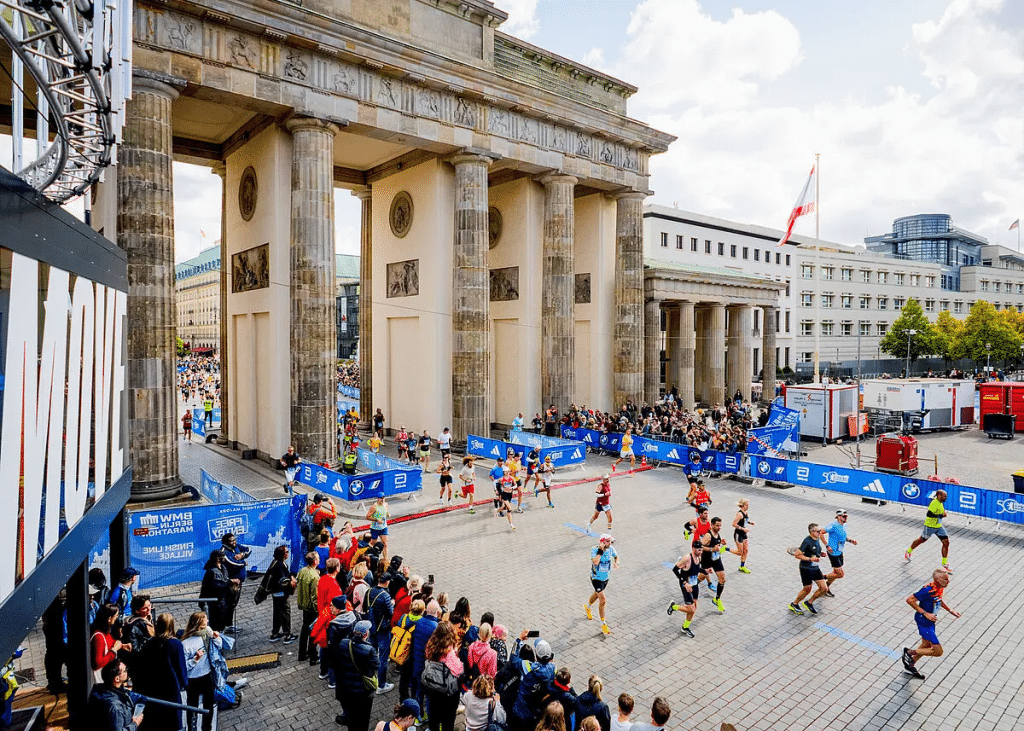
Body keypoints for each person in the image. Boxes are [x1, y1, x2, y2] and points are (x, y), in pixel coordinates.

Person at [902, 569, 961, 680]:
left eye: (948, 579)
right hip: (923, 621)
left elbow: (938, 600)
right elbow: (910, 600)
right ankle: (908, 652)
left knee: (925, 645)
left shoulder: (939, 588)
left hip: (930, 621)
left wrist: (950, 610)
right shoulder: (927, 590)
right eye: (945, 579)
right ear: (938, 579)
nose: (948, 581)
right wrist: (925, 613)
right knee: (938, 651)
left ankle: (910, 665)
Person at [134, 614, 187, 731]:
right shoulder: (176, 644)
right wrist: (184, 684)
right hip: (171, 687)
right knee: (172, 718)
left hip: (154, 686)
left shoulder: (150, 643)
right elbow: (181, 667)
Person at [334, 620, 379, 731]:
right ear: (366, 634)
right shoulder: (369, 650)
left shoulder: (343, 643)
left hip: (345, 689)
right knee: (363, 719)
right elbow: (376, 665)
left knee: (351, 717)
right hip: (362, 692)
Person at [181, 611, 221, 731]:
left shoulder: (207, 633)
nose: (208, 621)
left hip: (207, 675)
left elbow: (219, 646)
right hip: (193, 679)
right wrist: (195, 659)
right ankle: (191, 728)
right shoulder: (185, 644)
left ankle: (206, 728)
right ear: (199, 625)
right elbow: (184, 666)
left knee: (208, 706)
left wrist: (216, 638)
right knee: (192, 707)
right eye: (205, 620)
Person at [423, 621, 463, 731]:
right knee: (448, 722)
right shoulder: (450, 654)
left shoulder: (430, 646)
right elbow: (458, 672)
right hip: (447, 692)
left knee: (434, 718)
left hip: (433, 687)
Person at [512, 638, 555, 731]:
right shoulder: (553, 669)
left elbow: (513, 659)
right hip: (537, 712)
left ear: (536, 655)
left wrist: (518, 640)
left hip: (522, 710)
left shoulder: (527, 666)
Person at [905, 489, 952, 572]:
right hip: (929, 527)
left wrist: (943, 513)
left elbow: (941, 510)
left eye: (946, 496)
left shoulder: (940, 502)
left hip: (939, 527)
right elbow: (929, 514)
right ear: (939, 496)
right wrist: (941, 516)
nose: (946, 498)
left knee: (946, 542)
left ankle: (944, 564)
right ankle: (908, 551)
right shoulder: (934, 503)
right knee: (921, 540)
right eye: (944, 496)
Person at [88, 660, 143, 731]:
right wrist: (135, 724)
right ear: (117, 679)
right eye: (125, 671)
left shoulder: (99, 690)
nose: (127, 672)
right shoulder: (115, 706)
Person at [366, 571, 396, 694]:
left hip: (371, 626)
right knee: (383, 657)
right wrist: (392, 604)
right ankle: (381, 685)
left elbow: (365, 607)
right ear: (387, 582)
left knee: (372, 653)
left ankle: (369, 678)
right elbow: (390, 613)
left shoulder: (369, 591)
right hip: (382, 628)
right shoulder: (385, 596)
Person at [788, 523, 828, 615]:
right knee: (807, 589)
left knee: (824, 588)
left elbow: (813, 550)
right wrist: (810, 559)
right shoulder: (807, 541)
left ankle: (809, 602)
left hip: (814, 567)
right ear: (812, 532)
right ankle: (794, 604)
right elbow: (797, 555)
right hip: (805, 568)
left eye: (820, 531)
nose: (820, 532)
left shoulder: (817, 539)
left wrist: (820, 553)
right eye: (818, 531)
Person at [667, 540, 704, 638]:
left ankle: (685, 627)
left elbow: (696, 569)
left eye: (701, 550)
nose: (700, 552)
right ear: (693, 549)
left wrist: (705, 571)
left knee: (694, 607)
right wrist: (685, 583)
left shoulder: (699, 557)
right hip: (685, 585)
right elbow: (675, 569)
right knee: (691, 608)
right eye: (699, 550)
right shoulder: (687, 558)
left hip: (694, 584)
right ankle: (674, 607)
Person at [583, 534, 618, 635]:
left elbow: (616, 557)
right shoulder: (594, 549)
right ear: (602, 542)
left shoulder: (611, 548)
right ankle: (603, 623)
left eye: (610, 541)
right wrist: (600, 550)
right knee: (603, 600)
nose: (610, 543)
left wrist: (616, 563)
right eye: (607, 541)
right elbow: (595, 562)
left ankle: (587, 607)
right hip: (596, 578)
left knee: (597, 594)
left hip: (606, 577)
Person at [263, 545, 297, 643]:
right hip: (281, 594)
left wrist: (290, 576)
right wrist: (292, 582)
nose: (288, 553)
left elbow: (286, 574)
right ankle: (287, 635)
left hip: (275, 594)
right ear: (282, 554)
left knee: (277, 614)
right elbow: (283, 581)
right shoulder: (280, 565)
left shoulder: (276, 562)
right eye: (286, 552)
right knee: (285, 614)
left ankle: (275, 634)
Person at [821, 509, 857, 596]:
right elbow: (820, 533)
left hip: (840, 551)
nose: (845, 518)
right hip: (833, 553)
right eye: (844, 516)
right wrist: (827, 545)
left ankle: (826, 587)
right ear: (838, 517)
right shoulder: (833, 525)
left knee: (835, 573)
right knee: (840, 574)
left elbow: (842, 536)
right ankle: (820, 577)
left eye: (846, 516)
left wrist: (850, 540)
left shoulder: (844, 525)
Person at [220, 533, 249, 632]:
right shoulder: (224, 552)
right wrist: (243, 563)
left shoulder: (236, 546)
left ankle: (228, 624)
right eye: (231, 541)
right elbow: (232, 563)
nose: (234, 542)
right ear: (225, 543)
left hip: (238, 582)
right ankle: (225, 626)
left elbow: (248, 549)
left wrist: (242, 554)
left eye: (234, 540)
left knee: (233, 604)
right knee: (229, 604)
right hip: (231, 583)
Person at [91, 604, 128, 683]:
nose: (117, 617)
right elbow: (98, 663)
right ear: (109, 618)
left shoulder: (105, 631)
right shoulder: (98, 637)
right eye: (116, 615)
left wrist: (122, 646)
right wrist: (114, 651)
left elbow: (109, 642)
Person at [295, 551, 321, 663]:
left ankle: (301, 654)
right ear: (315, 561)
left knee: (305, 630)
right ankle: (313, 656)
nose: (319, 559)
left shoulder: (302, 571)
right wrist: (318, 610)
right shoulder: (314, 577)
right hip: (311, 608)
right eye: (318, 558)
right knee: (313, 632)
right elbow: (315, 597)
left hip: (304, 605)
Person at [699, 517, 728, 613]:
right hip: (707, 560)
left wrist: (721, 542)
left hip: (716, 559)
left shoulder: (717, 533)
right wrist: (712, 549)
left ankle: (717, 599)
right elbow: (700, 546)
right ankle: (691, 586)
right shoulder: (708, 535)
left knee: (722, 579)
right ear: (712, 525)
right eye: (717, 525)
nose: (719, 527)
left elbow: (715, 544)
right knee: (702, 577)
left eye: (720, 525)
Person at [198, 551, 231, 632]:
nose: (225, 558)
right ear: (217, 559)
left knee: (222, 619)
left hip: (221, 599)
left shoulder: (223, 567)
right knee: (214, 622)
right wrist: (229, 583)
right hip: (213, 601)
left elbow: (225, 579)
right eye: (222, 556)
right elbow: (216, 586)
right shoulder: (211, 571)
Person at [731, 499, 754, 573]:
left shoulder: (745, 512)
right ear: (743, 505)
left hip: (743, 533)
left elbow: (744, 520)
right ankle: (725, 548)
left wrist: (750, 522)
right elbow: (734, 524)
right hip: (738, 534)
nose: (748, 506)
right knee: (739, 552)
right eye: (747, 505)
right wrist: (743, 529)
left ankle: (742, 566)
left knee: (746, 550)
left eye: (748, 505)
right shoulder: (739, 514)